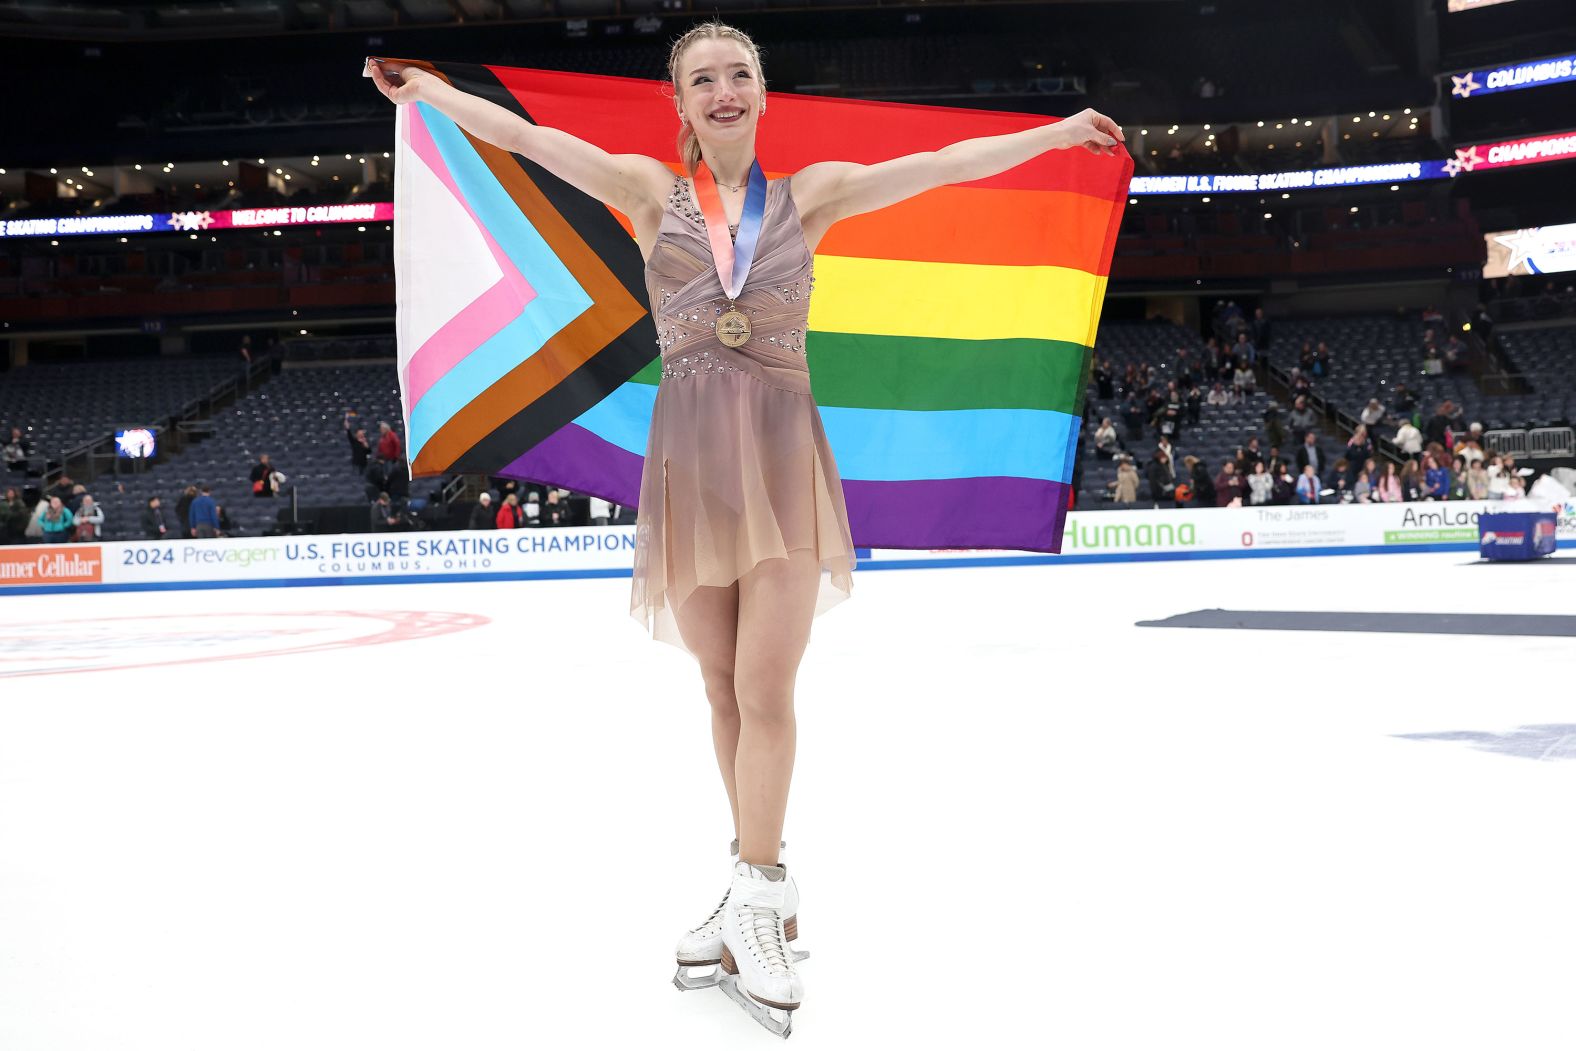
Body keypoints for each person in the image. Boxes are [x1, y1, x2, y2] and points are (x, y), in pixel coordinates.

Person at [371, 27, 1126, 1033]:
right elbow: (531, 141)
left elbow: (940, 166)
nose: (722, 92)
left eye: (738, 77)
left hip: (777, 454)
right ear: (676, 103)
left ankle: (760, 895)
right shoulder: (644, 191)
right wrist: (425, 96)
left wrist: (1056, 132)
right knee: (721, 685)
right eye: (702, 80)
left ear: (762, 95)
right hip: (687, 464)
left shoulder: (810, 195)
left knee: (766, 686)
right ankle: (753, 880)